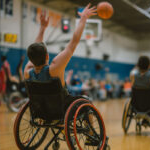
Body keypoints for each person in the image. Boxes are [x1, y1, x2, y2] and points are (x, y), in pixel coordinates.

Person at [24, 4, 97, 145]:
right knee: (86, 101)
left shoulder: (27, 72)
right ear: (47, 55)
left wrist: (42, 28)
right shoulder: (55, 68)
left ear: (31, 59)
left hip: (42, 112)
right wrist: (83, 19)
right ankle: (90, 134)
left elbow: (35, 51)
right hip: (62, 110)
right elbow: (74, 41)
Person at [130, 56, 150, 127]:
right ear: (149, 65)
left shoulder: (133, 76)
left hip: (137, 106)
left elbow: (133, 86)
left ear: (138, 65)